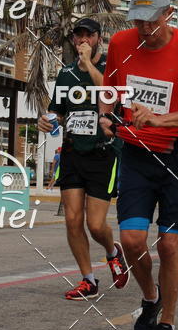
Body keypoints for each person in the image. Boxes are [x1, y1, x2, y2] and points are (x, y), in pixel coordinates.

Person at [100, 0, 178, 330]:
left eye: (151, 21)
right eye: (138, 22)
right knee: (132, 241)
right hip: (134, 155)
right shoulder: (120, 43)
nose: (144, 29)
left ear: (168, 15)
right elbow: (110, 89)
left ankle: (167, 324)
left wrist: (161, 120)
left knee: (168, 243)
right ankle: (150, 298)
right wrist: (105, 116)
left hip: (177, 159)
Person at [38, 18, 127, 300]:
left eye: (89, 35)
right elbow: (59, 112)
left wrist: (88, 64)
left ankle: (113, 252)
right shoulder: (65, 75)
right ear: (73, 39)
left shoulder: (108, 68)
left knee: (96, 225)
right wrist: (47, 119)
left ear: (99, 38)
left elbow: (110, 94)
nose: (83, 40)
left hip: (103, 153)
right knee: (73, 220)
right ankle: (88, 279)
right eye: (79, 36)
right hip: (73, 152)